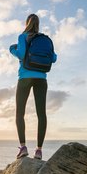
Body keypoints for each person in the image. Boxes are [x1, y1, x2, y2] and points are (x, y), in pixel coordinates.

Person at [9, 14, 57, 160]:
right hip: (41, 79)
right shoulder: (45, 39)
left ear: (27, 23)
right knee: (41, 114)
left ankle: (23, 147)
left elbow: (21, 54)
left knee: (20, 113)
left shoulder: (23, 36)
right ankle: (39, 150)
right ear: (38, 24)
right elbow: (54, 58)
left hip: (25, 77)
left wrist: (12, 49)